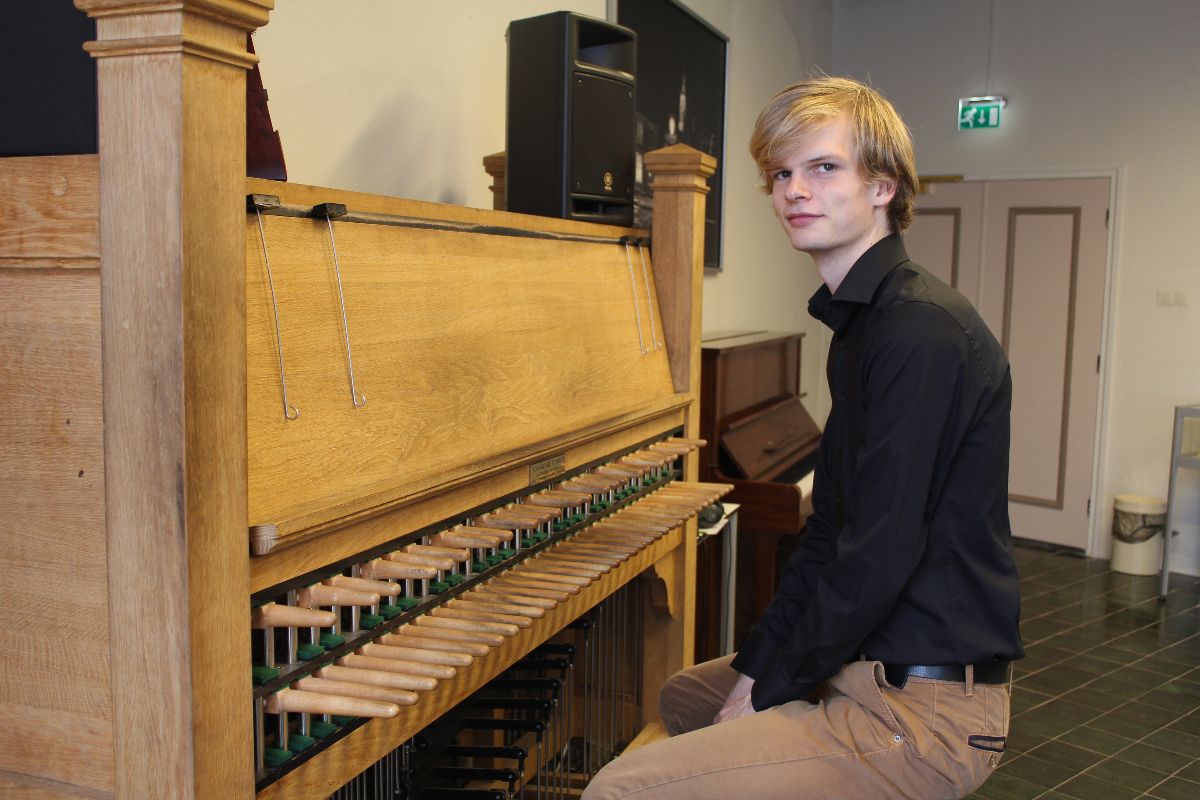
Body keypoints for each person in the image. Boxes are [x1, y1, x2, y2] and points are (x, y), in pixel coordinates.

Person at [582, 76, 1023, 800]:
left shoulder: (919, 328)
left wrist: (765, 691)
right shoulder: (861, 324)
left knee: (616, 791)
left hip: (925, 709)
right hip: (867, 662)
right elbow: (828, 535)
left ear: (882, 187)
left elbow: (875, 553)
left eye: (823, 168)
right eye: (781, 174)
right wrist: (758, 669)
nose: (794, 190)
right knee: (687, 697)